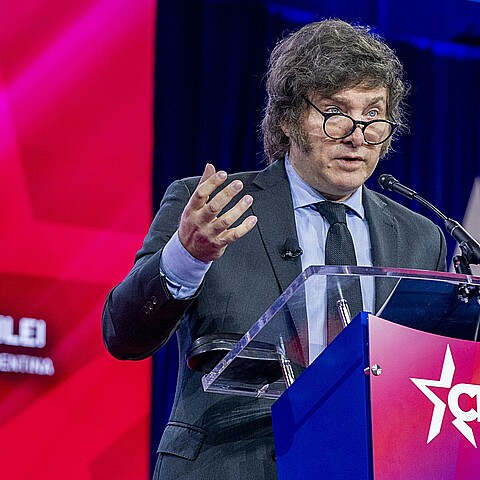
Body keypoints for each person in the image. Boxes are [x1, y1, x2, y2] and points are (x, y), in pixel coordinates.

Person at [102, 19, 446, 480]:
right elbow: (124, 335)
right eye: (335, 112)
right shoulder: (211, 205)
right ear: (286, 119)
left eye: (373, 115)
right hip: (229, 465)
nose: (357, 134)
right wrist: (188, 256)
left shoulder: (422, 236)